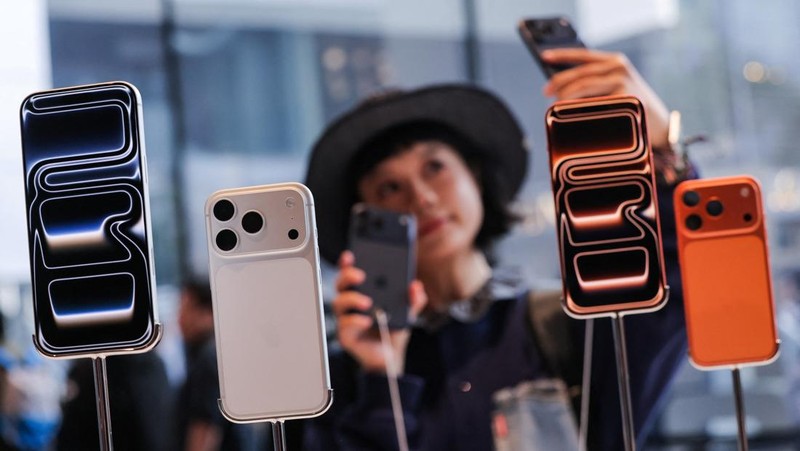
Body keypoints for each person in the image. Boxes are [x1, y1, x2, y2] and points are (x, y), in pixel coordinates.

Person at [300, 47, 693, 450]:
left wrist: (663, 151)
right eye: (389, 188)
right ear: (362, 220)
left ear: (475, 177)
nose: (421, 198)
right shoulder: (338, 380)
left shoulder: (562, 326)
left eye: (434, 167)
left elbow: (677, 286)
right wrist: (381, 381)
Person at [174, 279, 263, 451]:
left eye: (185, 309)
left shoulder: (208, 357)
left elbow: (205, 427)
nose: (180, 318)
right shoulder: (220, 351)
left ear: (208, 313)